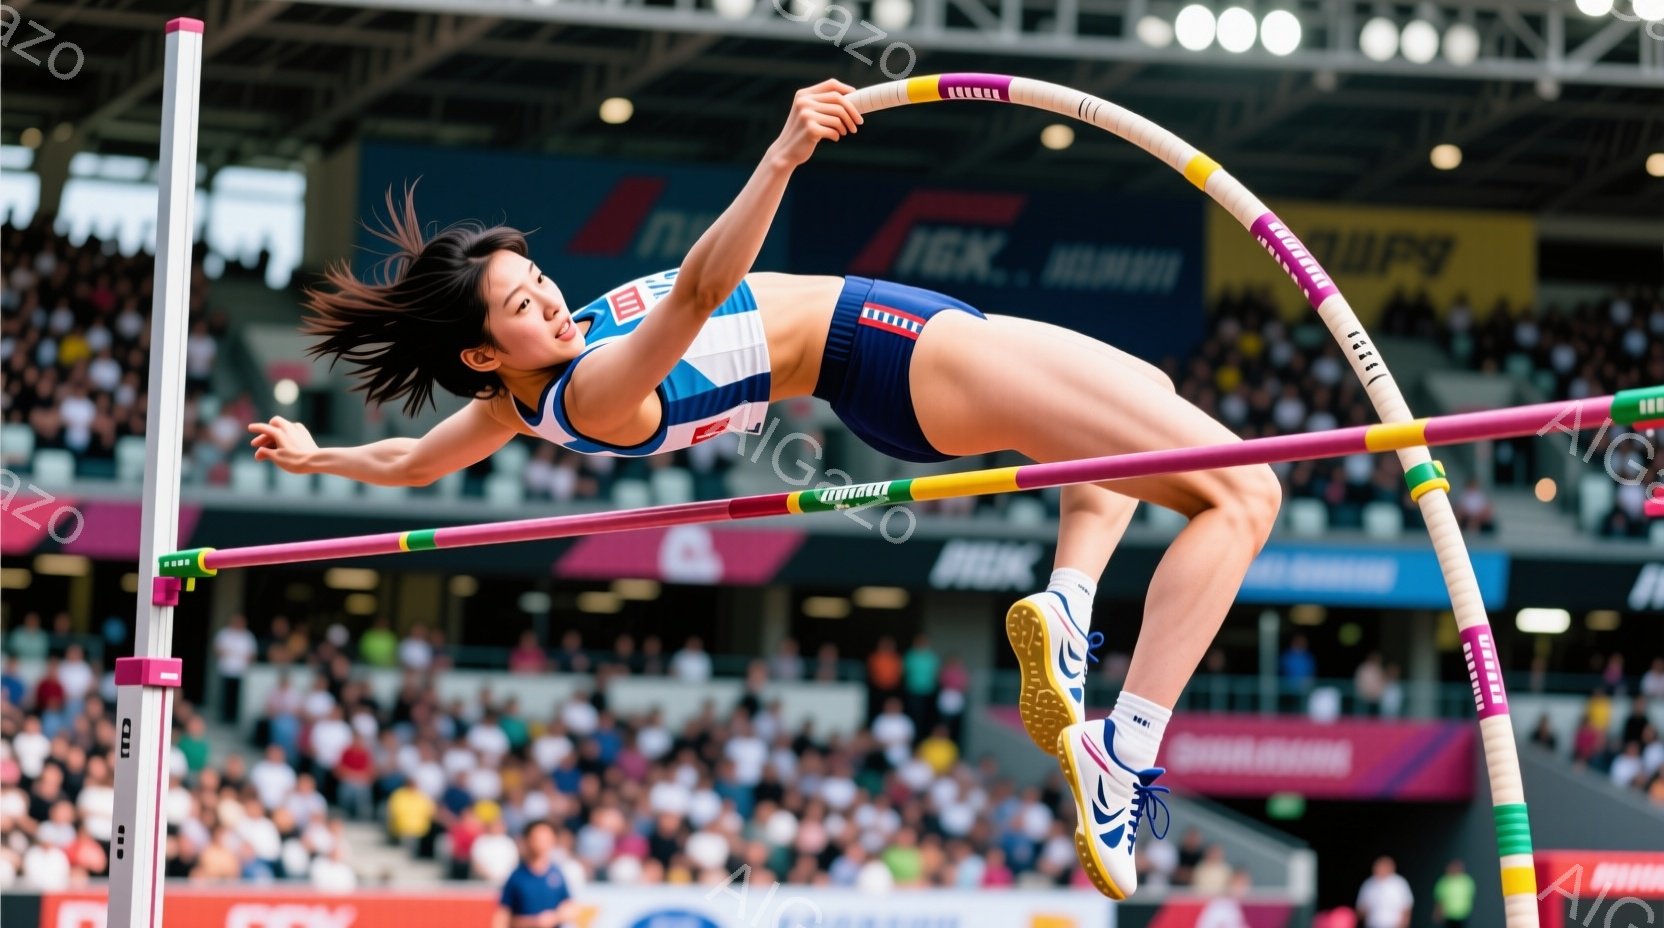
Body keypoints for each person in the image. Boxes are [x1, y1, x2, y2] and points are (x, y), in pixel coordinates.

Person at [247, 79, 1282, 901]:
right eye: (522, 305)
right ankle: (1124, 750)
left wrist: (316, 455)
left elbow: (410, 462)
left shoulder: (515, 402)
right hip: (890, 355)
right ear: (482, 352)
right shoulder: (594, 391)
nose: (551, 302)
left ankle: (1065, 610)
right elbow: (700, 290)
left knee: (1132, 400)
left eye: (539, 279)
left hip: (893, 338)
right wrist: (782, 153)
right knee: (1246, 496)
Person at [493, 820, 580, 928]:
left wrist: (554, 917)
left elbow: (570, 908)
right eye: (538, 838)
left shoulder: (557, 874)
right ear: (527, 840)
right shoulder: (517, 877)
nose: (543, 842)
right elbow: (503, 916)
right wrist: (535, 922)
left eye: (547, 838)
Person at [213, 615, 258, 725]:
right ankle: (223, 716)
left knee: (236, 697)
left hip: (240, 671)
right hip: (226, 669)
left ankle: (233, 718)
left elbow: (252, 654)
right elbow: (217, 649)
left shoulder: (247, 636)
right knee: (225, 695)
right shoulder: (224, 633)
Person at [1355, 856, 1414, 928]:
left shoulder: (1399, 883)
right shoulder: (1368, 884)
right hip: (1372, 925)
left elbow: (1406, 907)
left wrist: (1404, 925)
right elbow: (1360, 908)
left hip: (1393, 925)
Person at [1432, 859, 1475, 928]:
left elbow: (1470, 895)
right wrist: (1438, 913)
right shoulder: (1443, 881)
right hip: (1448, 915)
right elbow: (1439, 900)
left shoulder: (1467, 881)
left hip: (1463, 914)